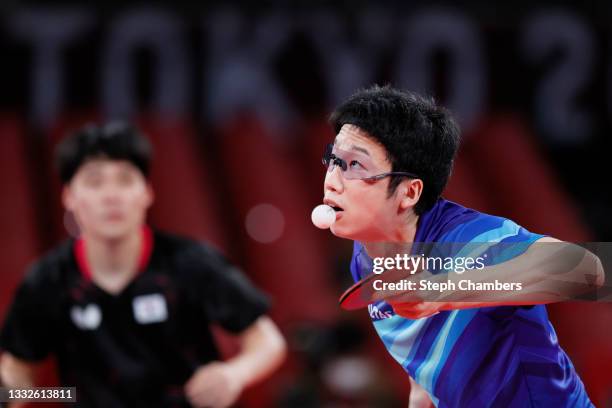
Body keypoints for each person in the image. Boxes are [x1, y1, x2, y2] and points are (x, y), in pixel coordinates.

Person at [322, 85, 603, 407]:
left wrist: (443, 291)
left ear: (409, 193)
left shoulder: (471, 239)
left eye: (355, 165)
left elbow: (586, 269)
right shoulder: (366, 255)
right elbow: (425, 372)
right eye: (332, 159)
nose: (331, 179)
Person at [0, 122, 286, 408]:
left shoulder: (191, 262)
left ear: (147, 192)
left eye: (125, 180)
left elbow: (268, 341)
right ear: (69, 197)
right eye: (95, 181)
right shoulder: (47, 280)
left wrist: (234, 373)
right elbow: (20, 375)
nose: (111, 195)